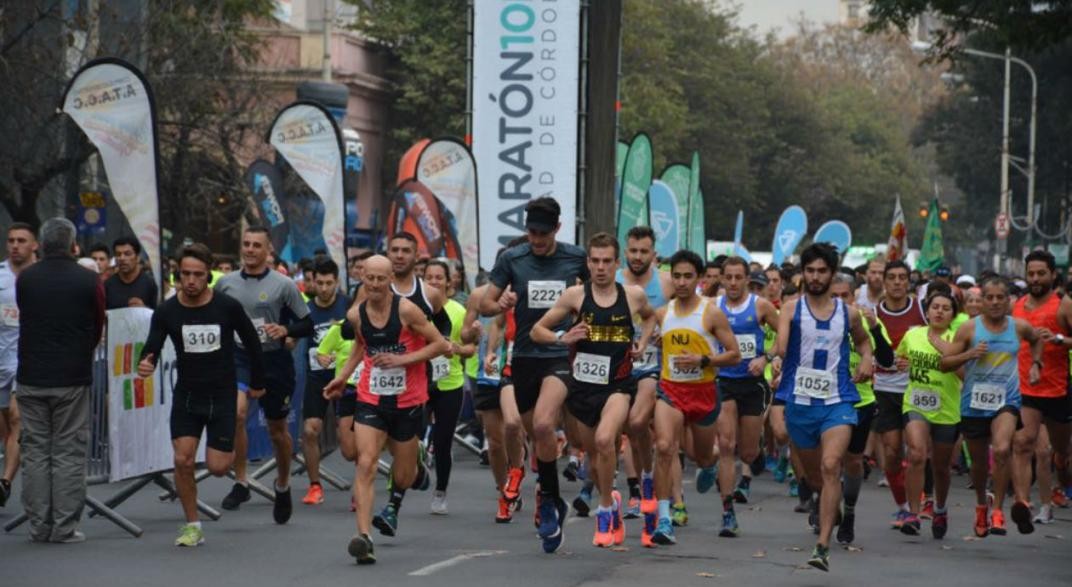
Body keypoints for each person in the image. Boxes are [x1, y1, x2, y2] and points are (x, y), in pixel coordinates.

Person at [479, 197, 589, 553]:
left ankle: (549, 501)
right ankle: (552, 496)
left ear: (557, 228)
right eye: (532, 232)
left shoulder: (575, 257)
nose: (537, 239)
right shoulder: (513, 259)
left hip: (558, 353)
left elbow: (599, 295)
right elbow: (485, 303)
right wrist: (500, 304)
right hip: (523, 356)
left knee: (543, 425)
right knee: (535, 434)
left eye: (543, 233)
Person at [323, 255, 449, 565]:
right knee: (365, 462)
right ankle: (364, 538)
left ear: (391, 279)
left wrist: (402, 360)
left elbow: (440, 344)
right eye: (370, 278)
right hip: (371, 397)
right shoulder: (356, 314)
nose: (376, 284)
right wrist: (342, 377)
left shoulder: (407, 310)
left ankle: (416, 463)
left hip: (408, 400)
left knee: (403, 475)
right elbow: (361, 346)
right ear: (362, 278)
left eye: (382, 279)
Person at [136, 244, 266, 546]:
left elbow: (252, 343)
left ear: (208, 274)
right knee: (183, 460)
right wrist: (146, 362)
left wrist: (258, 381)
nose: (191, 280)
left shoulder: (227, 307)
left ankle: (232, 462)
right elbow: (152, 345)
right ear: (177, 275)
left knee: (218, 468)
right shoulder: (167, 311)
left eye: (197, 274)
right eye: (185, 274)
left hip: (222, 395)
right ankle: (192, 525)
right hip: (188, 395)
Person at [532, 232, 656, 547]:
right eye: (595, 261)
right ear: (588, 263)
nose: (601, 267)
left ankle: (603, 511)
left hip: (618, 386)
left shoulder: (633, 295)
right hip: (583, 389)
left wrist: (642, 342)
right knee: (596, 457)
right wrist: (562, 338)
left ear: (617, 263)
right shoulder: (575, 296)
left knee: (604, 440)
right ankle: (612, 501)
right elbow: (537, 330)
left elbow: (650, 318)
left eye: (607, 261)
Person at [771, 243, 874, 572]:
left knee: (831, 466)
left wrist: (867, 359)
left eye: (822, 271)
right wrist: (775, 359)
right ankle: (829, 501)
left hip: (837, 401)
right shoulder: (791, 309)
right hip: (800, 403)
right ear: (803, 274)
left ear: (832, 274)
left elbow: (863, 341)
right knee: (816, 477)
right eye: (810, 271)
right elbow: (781, 345)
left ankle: (822, 545)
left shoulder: (849, 313)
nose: (815, 277)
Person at [214, 227, 314, 523]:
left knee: (277, 431)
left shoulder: (284, 285)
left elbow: (306, 324)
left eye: (256, 245)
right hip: (240, 357)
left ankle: (282, 484)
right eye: (246, 244)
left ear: (268, 250)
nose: (250, 249)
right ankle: (241, 482)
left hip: (274, 361)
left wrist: (285, 329)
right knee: (238, 414)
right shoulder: (226, 283)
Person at [16, 218, 104, 543]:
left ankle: (39, 524)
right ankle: (64, 526)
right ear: (73, 245)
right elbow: (98, 322)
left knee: (35, 451)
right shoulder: (89, 280)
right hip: (71, 376)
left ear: (41, 244)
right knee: (68, 450)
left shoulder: (26, 279)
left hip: (31, 374)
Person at [940, 276, 1043, 537]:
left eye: (1000, 297)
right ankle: (981, 505)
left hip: (1006, 400)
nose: (995, 302)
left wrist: (1036, 364)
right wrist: (969, 354)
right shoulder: (969, 329)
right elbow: (945, 363)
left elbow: (1036, 339)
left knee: (1001, 449)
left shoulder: (1019, 327)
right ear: (982, 301)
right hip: (973, 403)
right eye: (990, 297)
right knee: (978, 465)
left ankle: (998, 510)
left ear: (1008, 301)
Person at [650, 249, 740, 547]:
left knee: (700, 456)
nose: (681, 282)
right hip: (670, 390)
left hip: (703, 392)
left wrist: (704, 360)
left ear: (699, 278)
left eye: (688, 276)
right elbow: (656, 341)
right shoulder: (663, 313)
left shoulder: (710, 312)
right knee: (665, 447)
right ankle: (664, 519)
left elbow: (734, 354)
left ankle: (710, 463)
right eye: (676, 276)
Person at [362, 233, 446, 536]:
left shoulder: (429, 294)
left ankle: (392, 508)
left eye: (405, 250)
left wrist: (414, 355)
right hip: (378, 383)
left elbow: (443, 333)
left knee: (402, 455)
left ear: (416, 255)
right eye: (394, 250)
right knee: (376, 449)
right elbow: (357, 332)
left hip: (418, 381)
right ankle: (414, 465)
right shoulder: (370, 288)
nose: (399, 255)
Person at [712, 257, 779, 537]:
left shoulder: (760, 306)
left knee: (748, 453)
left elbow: (785, 335)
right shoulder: (713, 306)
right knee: (727, 445)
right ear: (722, 279)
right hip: (723, 381)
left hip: (752, 384)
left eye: (738, 277)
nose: (733, 283)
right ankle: (728, 513)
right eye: (728, 277)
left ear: (747, 280)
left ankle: (758, 447)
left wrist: (766, 358)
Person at [615, 226, 673, 538]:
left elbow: (686, 311)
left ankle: (649, 481)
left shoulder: (665, 281)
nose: (638, 257)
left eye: (644, 252)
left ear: (654, 253)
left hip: (655, 366)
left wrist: (669, 331)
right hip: (619, 367)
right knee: (626, 430)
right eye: (633, 251)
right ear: (626, 251)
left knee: (639, 423)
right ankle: (639, 486)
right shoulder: (613, 279)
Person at [830, 272, 893, 545]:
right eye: (834, 296)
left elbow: (887, 359)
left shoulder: (865, 321)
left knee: (853, 461)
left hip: (860, 401)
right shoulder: (817, 321)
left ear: (854, 295)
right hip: (826, 400)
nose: (839, 301)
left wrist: (876, 328)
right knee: (828, 460)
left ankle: (850, 511)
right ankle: (827, 504)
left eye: (844, 295)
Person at [1011, 250, 1072, 524]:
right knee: (1025, 444)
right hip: (1026, 388)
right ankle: (1024, 503)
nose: (1035, 278)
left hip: (1057, 390)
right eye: (1031, 274)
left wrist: (1059, 339)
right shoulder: (1018, 306)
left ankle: (1064, 481)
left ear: (1052, 274)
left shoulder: (1064, 305)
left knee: (1061, 453)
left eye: (1041, 273)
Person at [895, 290, 961, 538]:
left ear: (953, 314)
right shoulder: (913, 335)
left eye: (946, 308)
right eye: (935, 307)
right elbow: (901, 359)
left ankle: (940, 509)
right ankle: (913, 514)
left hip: (947, 409)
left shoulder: (958, 339)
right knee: (916, 454)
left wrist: (947, 352)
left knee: (941, 467)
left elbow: (966, 375)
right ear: (927, 311)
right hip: (916, 403)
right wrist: (902, 364)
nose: (939, 311)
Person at [421, 260, 477, 514]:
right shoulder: (414, 308)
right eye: (429, 277)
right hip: (419, 382)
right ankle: (416, 468)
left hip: (449, 382)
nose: (434, 282)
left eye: (438, 277)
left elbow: (470, 349)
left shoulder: (458, 311)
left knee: (443, 443)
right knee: (412, 437)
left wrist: (454, 348)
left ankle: (440, 491)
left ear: (449, 281)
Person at [874, 260, 926, 527]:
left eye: (902, 277)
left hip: (915, 389)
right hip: (883, 390)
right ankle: (902, 505)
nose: (897, 282)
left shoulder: (922, 310)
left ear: (909, 282)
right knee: (892, 452)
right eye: (892, 277)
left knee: (917, 451)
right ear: (884, 282)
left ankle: (918, 504)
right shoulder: (873, 313)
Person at [300, 256, 352, 506]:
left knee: (349, 441)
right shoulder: (305, 310)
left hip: (346, 378)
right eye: (319, 283)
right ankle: (314, 486)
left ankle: (360, 487)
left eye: (328, 283)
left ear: (336, 282)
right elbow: (292, 336)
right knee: (310, 430)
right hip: (317, 378)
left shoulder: (348, 306)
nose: (323, 288)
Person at [0, 223, 37, 507]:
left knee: (17, 419)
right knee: (5, 428)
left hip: (27, 360)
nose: (15, 245)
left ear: (34, 245)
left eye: (21, 240)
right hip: (1, 358)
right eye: (11, 240)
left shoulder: (41, 276)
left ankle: (5, 481)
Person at [104, 236, 158, 309]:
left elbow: (156, 313)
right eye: (118, 254)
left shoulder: (150, 284)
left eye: (127, 254)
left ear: (137, 257)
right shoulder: (107, 285)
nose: (122, 258)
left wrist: (144, 309)